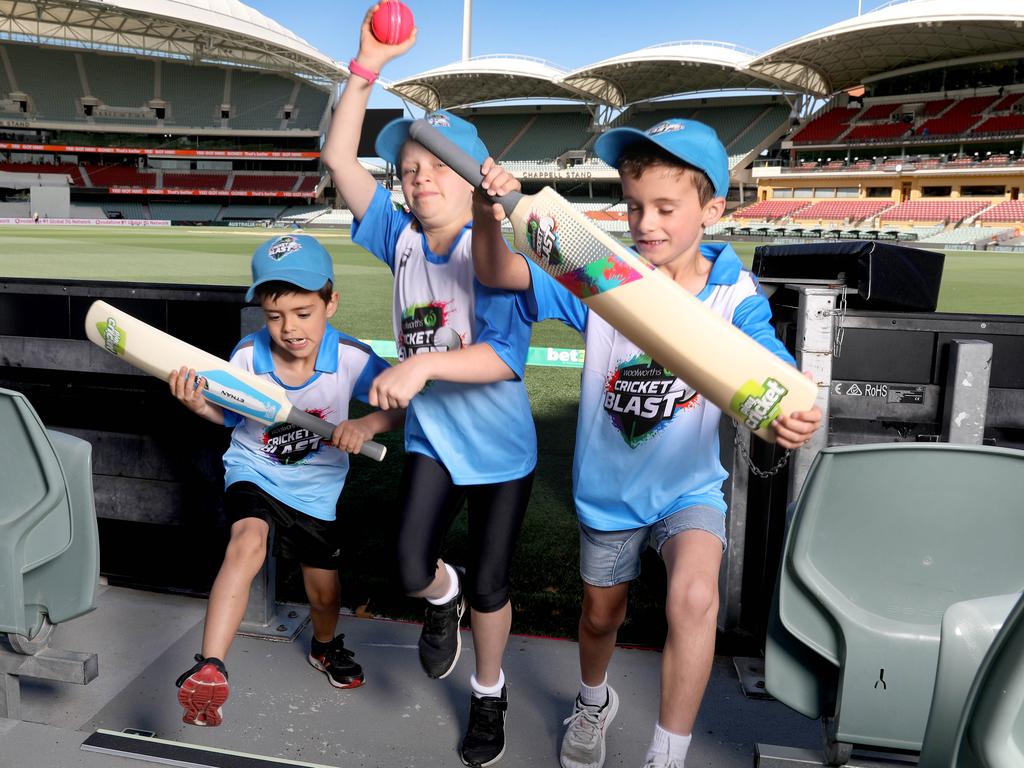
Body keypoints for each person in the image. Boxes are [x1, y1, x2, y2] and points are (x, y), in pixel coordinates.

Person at [471, 119, 823, 768]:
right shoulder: (600, 272)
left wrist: (783, 411)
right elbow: (499, 273)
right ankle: (593, 700)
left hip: (688, 489)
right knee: (601, 618)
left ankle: (667, 754)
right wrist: (485, 209)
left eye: (666, 207)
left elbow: (767, 370)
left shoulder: (732, 291)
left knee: (694, 597)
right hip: (608, 495)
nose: (646, 223)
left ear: (712, 209)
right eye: (634, 207)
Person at [320, 8, 543, 766]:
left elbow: (504, 358)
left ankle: (488, 694)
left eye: (434, 169)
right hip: (435, 440)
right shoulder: (399, 235)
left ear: (472, 179)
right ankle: (439, 603)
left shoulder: (495, 258)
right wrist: (363, 68)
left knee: (491, 586)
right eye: (409, 171)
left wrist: (417, 366)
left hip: (503, 448)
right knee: (414, 569)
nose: (417, 182)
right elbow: (341, 160)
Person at [170, 233, 403, 727]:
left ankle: (323, 646)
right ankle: (210, 666)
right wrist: (198, 404)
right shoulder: (249, 357)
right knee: (246, 544)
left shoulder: (351, 358)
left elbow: (399, 405)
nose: (289, 329)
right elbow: (232, 418)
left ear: (330, 303)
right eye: (275, 317)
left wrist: (364, 425)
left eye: (303, 313)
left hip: (317, 489)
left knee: (324, 594)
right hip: (254, 468)